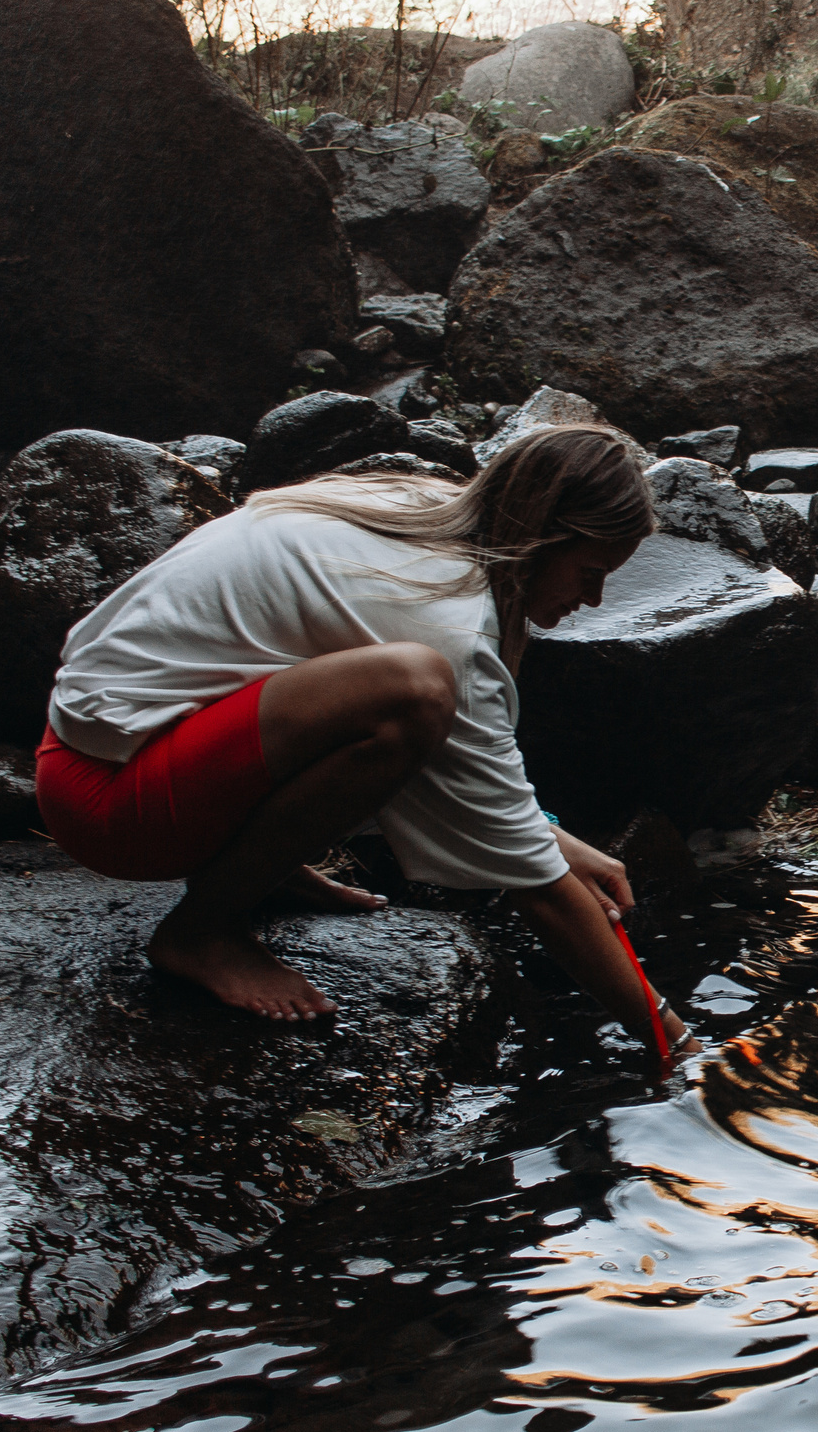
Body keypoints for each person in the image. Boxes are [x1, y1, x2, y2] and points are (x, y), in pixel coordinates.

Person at [34, 422, 696, 1049]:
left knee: (406, 691)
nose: (596, 599)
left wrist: (548, 834)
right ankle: (202, 930)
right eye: (590, 572)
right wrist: (675, 1043)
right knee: (412, 692)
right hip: (110, 803)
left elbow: (484, 791)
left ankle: (256, 866)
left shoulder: (421, 506)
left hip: (110, 744)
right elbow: (540, 891)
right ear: (545, 535)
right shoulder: (451, 625)